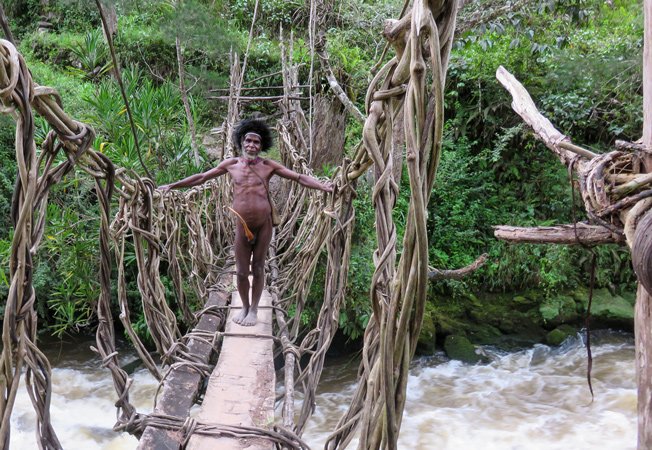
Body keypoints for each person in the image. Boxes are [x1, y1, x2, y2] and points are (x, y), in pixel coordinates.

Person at [159, 119, 333, 326]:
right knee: (241, 271)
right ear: (242, 142)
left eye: (256, 143)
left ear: (261, 146)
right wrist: (172, 185)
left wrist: (323, 186)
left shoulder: (268, 166)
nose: (252, 145)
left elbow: (298, 177)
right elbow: (203, 177)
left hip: (264, 224)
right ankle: (243, 306)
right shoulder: (231, 165)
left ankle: (253, 310)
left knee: (258, 267)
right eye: (248, 141)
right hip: (242, 225)